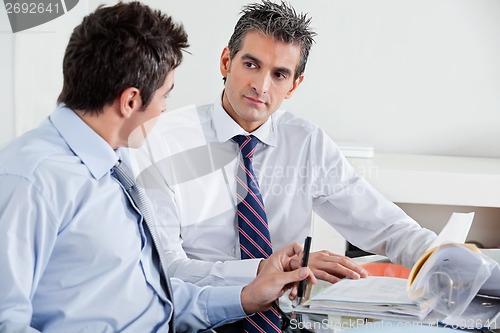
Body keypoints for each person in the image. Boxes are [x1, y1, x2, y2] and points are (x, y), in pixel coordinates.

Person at [0, 2, 316, 332]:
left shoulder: (117, 166)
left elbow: (150, 296)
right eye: (165, 95)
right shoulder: (30, 180)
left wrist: (246, 297)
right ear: (131, 102)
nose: (166, 109)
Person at [141, 0, 437, 289]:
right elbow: (168, 267)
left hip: (284, 317)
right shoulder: (162, 140)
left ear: (294, 85)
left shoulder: (306, 142)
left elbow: (386, 226)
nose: (261, 86)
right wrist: (266, 270)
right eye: (251, 64)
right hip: (202, 317)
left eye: (279, 74)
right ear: (226, 62)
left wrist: (445, 258)